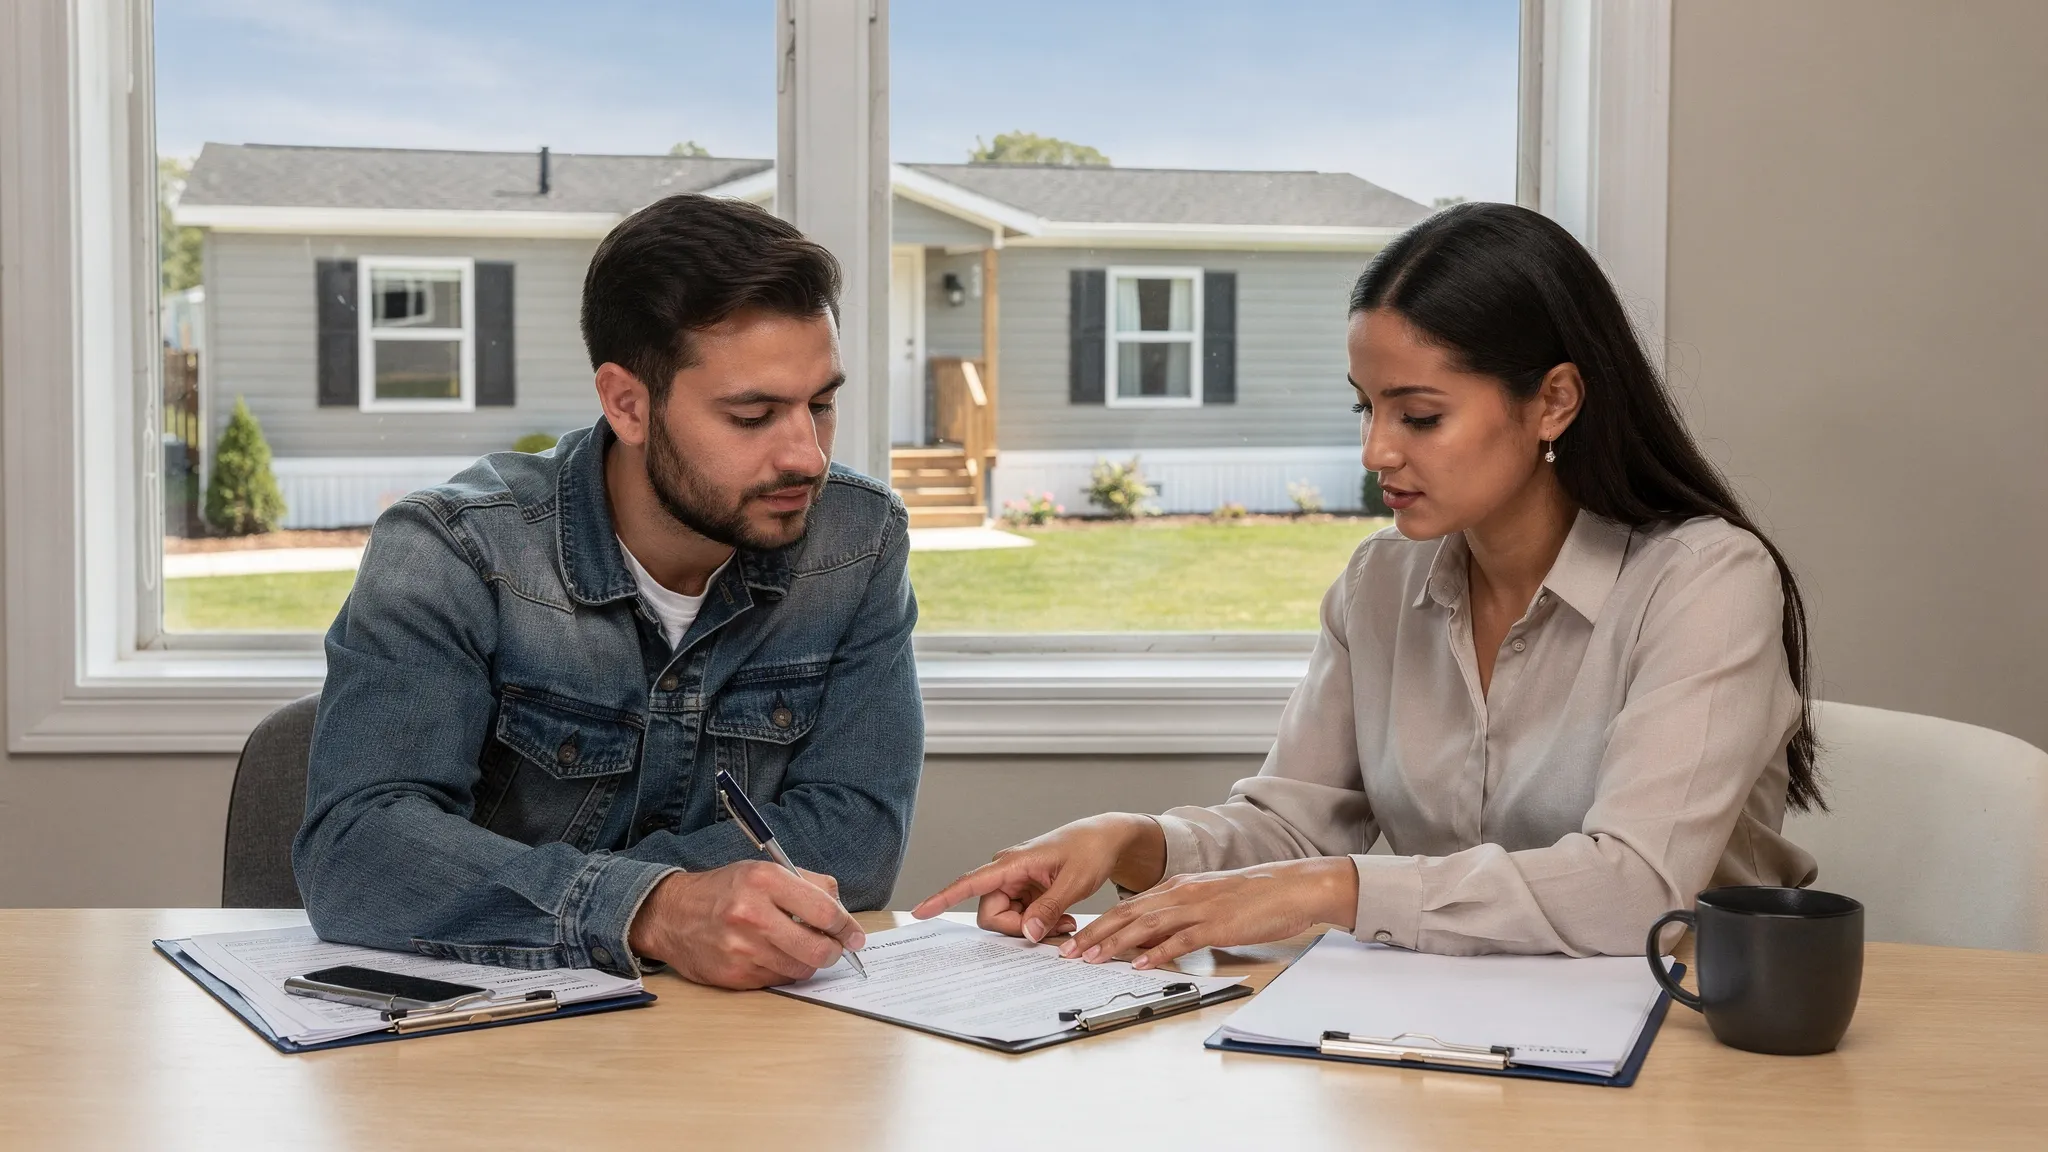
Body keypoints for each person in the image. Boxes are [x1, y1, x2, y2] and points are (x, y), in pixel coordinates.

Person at [916, 201, 1821, 969]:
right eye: (1368, 406)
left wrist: (1334, 890)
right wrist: (1133, 842)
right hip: (1442, 1035)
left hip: (1690, 1043)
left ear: (1554, 401)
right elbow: (1301, 829)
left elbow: (1640, 891)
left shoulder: (1704, 582)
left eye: (1420, 415)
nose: (1376, 452)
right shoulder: (1381, 583)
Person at [296, 194, 922, 990]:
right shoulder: (453, 551)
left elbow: (856, 841)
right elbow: (358, 854)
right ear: (628, 402)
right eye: (754, 415)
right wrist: (653, 908)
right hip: (487, 1053)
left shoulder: (857, 540)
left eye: (822, 404)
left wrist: (542, 891)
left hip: (746, 1042)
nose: (806, 455)